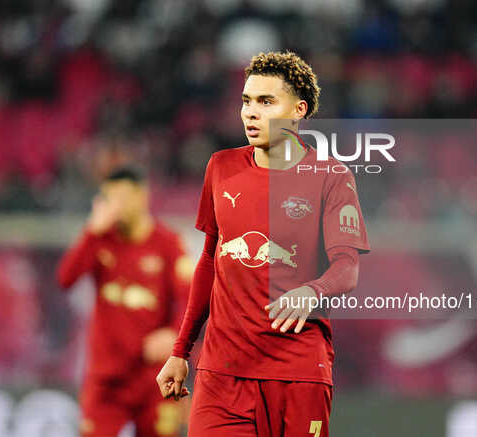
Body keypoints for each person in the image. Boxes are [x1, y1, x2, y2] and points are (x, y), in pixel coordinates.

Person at [156, 51, 370, 437]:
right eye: (246, 101)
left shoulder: (331, 177)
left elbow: (347, 267)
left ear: (298, 110)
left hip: (297, 372)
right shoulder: (220, 167)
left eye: (266, 101)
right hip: (221, 374)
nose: (250, 113)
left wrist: (312, 289)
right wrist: (180, 351)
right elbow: (209, 260)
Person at [58, 166, 192, 437]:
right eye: (110, 198)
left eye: (122, 197)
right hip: (107, 379)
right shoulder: (100, 240)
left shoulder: (167, 243)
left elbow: (190, 298)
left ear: (142, 197)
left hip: (154, 376)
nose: (116, 206)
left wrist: (173, 333)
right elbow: (65, 279)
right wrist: (91, 232)